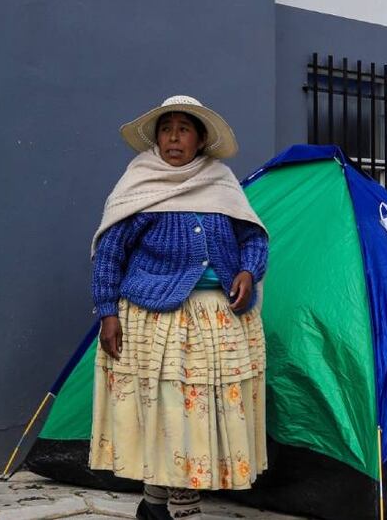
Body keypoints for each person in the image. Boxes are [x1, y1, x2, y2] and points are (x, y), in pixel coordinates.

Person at [88, 96, 268, 520]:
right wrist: (106, 311)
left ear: (201, 139)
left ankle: (157, 508)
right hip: (155, 319)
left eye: (183, 128)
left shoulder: (221, 182)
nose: (173, 137)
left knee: (200, 417)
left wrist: (248, 269)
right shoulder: (138, 185)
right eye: (166, 128)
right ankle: (166, 506)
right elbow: (110, 252)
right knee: (166, 412)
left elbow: (254, 238)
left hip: (218, 319)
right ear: (156, 138)